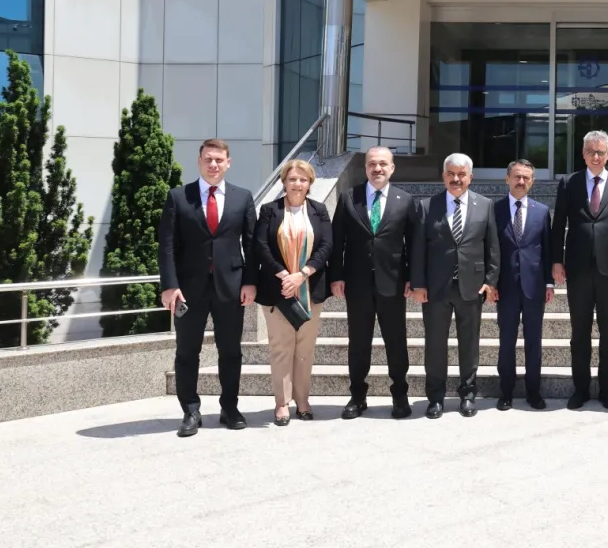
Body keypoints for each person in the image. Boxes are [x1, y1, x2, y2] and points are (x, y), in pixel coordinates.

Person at [158, 138, 257, 437]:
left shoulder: (243, 197)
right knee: (187, 352)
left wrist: (250, 281)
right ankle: (190, 410)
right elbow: (167, 245)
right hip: (188, 290)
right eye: (208, 159)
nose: (213, 164)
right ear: (199, 161)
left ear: (228, 163)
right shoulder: (178, 197)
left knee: (231, 351)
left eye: (219, 159)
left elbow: (252, 245)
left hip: (231, 288)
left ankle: (230, 407)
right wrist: (169, 286)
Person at [328, 146, 420, 420]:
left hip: (393, 283)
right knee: (358, 342)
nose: (377, 168)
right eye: (372, 164)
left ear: (392, 168)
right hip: (356, 284)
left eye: (382, 164)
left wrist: (413, 278)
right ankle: (357, 395)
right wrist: (336, 276)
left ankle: (400, 394)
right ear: (365, 168)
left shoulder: (405, 200)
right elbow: (337, 241)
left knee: (396, 340)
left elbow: (414, 244)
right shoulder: (348, 198)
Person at [551, 130, 608, 410]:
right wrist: (556, 260)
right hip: (577, 268)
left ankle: (607, 388)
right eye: (591, 151)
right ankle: (581, 388)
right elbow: (558, 224)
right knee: (579, 332)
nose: (596, 156)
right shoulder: (569, 183)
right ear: (583, 153)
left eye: (600, 152)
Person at [412, 153, 500, 419]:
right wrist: (418, 284)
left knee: (469, 345)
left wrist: (490, 282)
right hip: (436, 288)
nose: (456, 179)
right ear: (443, 176)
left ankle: (468, 395)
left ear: (470, 177)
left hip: (472, 287)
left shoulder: (485, 205)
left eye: (461, 174)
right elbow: (417, 249)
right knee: (435, 345)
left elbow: (492, 247)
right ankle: (435, 398)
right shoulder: (427, 206)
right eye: (451, 174)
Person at [252, 159, 332, 425]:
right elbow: (261, 246)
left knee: (305, 349)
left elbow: (326, 246)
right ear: (283, 182)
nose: (297, 184)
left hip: (310, 289)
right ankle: (282, 403)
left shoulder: (319, 210)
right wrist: (285, 275)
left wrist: (302, 274)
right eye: (292, 179)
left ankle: (303, 400)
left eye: (303, 179)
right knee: (281, 348)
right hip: (278, 291)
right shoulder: (269, 210)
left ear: (310, 183)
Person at [493, 159, 553, 411]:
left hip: (534, 286)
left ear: (532, 182)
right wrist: (490, 282)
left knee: (533, 341)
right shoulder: (493, 210)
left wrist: (549, 283)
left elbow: (547, 249)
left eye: (526, 178)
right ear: (507, 179)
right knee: (506, 340)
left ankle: (533, 391)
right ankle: (506, 391)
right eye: (517, 177)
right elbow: (490, 249)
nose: (521, 181)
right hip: (505, 287)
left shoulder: (542, 211)